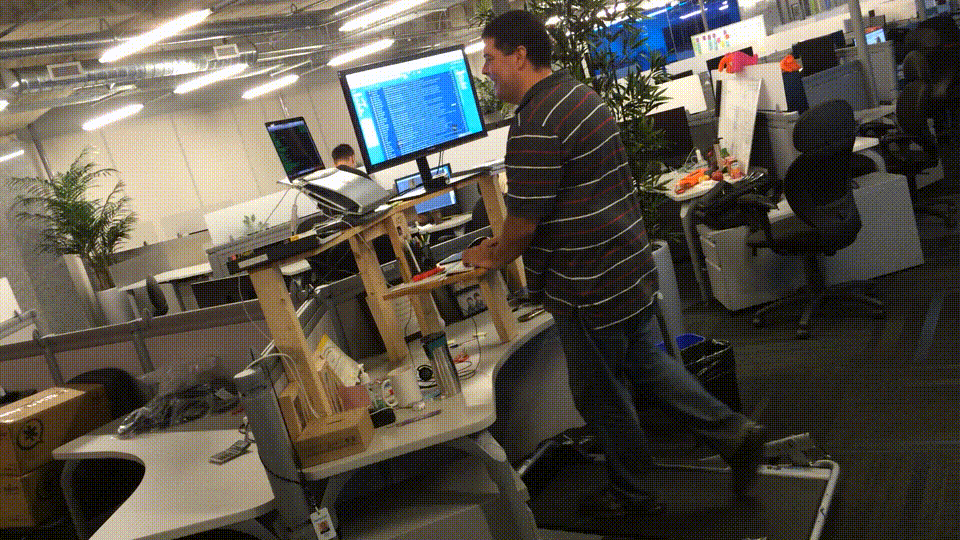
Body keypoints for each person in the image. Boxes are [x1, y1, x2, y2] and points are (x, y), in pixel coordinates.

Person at [462, 10, 764, 518]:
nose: (486, 71)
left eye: (490, 58)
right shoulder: (579, 96)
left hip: (587, 285)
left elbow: (524, 226)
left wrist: (487, 254)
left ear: (520, 55)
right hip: (627, 266)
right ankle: (734, 434)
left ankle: (635, 495)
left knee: (600, 395)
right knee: (648, 364)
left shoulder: (535, 123)